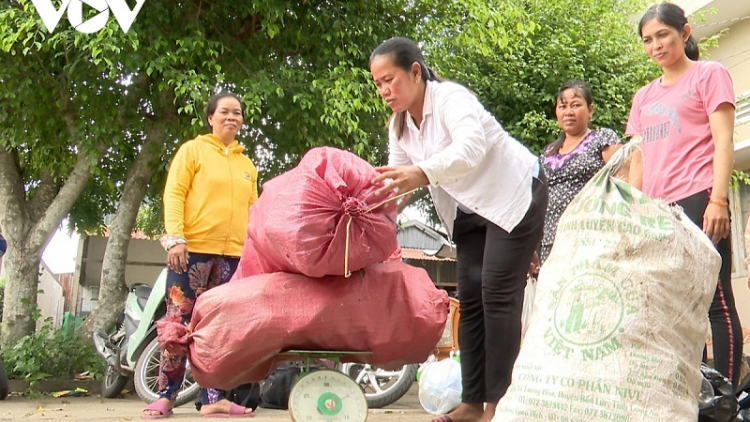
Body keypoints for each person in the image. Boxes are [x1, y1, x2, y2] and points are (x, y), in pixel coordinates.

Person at [369, 37, 548, 422]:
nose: (384, 90)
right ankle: (472, 402)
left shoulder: (451, 98)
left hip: (515, 194)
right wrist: (371, 216)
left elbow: (471, 147)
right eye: (378, 84)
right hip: (469, 210)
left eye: (390, 80)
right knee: (470, 300)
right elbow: (396, 185)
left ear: (415, 71)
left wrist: (421, 172)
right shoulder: (399, 128)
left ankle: (499, 405)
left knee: (496, 293)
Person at [626, 2, 742, 388]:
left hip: (699, 195)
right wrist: (633, 210)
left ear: (685, 32)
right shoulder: (642, 96)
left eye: (663, 35)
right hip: (657, 210)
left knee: (715, 298)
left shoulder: (709, 75)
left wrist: (719, 200)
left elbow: (724, 141)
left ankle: (724, 398)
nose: (656, 45)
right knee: (669, 305)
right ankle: (690, 395)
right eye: (647, 39)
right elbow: (637, 158)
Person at [142, 92, 258, 419]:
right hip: (190, 251)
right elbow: (174, 193)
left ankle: (214, 398)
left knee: (218, 329)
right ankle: (166, 395)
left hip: (232, 258)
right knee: (178, 324)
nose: (231, 117)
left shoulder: (246, 164)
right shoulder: (192, 151)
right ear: (211, 118)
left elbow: (253, 210)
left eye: (237, 113)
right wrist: (175, 238)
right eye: (225, 112)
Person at [538, 81, 621, 265]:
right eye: (563, 106)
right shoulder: (547, 153)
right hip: (552, 240)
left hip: (590, 236)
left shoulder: (602, 139)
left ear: (590, 110)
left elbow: (624, 180)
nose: (568, 112)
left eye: (575, 105)